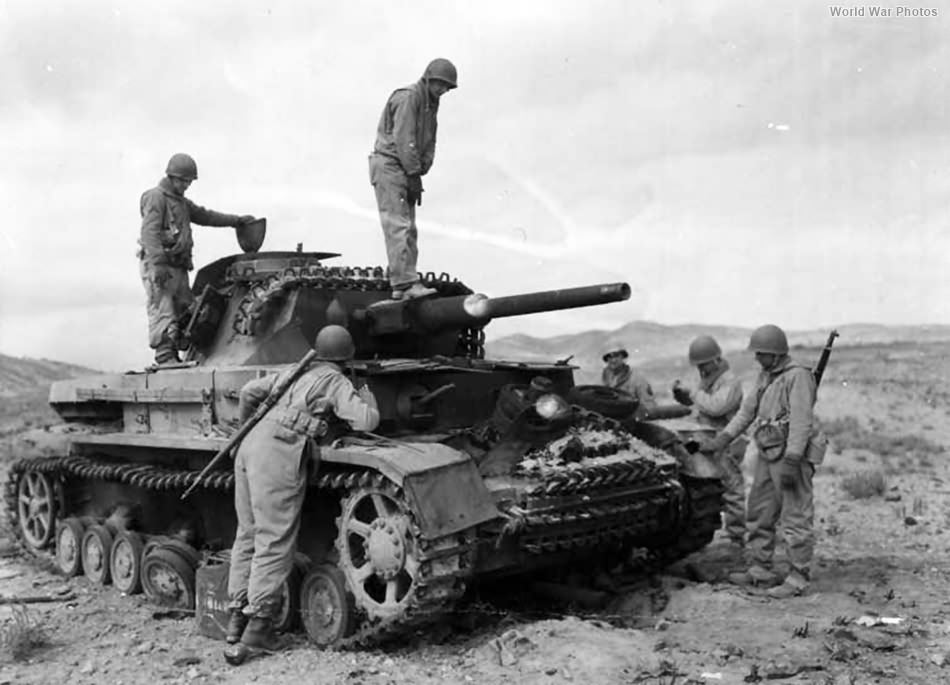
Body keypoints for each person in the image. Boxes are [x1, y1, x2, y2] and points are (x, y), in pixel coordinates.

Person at [224, 325, 379, 661]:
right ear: (347, 356)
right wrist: (367, 398)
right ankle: (258, 629)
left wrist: (244, 429)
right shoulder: (336, 380)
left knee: (248, 534)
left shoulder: (294, 370)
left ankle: (236, 619)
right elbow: (365, 421)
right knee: (274, 539)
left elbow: (250, 390)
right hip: (279, 450)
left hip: (251, 444)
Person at [703, 325, 827, 598]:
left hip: (790, 455)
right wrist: (723, 439)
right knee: (759, 511)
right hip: (768, 451)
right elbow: (747, 412)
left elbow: (801, 422)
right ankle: (761, 570)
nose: (757, 358)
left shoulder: (798, 377)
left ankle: (797, 578)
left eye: (761, 354)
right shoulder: (765, 376)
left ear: (776, 354)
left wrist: (793, 460)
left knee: (795, 516)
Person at [139, 153, 256, 365]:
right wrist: (158, 265)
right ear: (171, 176)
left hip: (178, 266)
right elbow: (149, 233)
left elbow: (206, 216)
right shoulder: (156, 197)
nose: (186, 185)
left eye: (189, 181)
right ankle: (165, 356)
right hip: (161, 266)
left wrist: (236, 221)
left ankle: (175, 354)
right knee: (163, 309)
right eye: (183, 180)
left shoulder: (181, 202)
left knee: (186, 309)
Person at [369, 58, 457, 301]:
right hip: (390, 165)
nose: (442, 90)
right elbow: (404, 139)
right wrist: (413, 175)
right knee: (399, 226)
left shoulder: (430, 104)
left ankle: (404, 283)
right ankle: (405, 283)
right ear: (429, 78)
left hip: (405, 168)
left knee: (408, 227)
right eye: (439, 84)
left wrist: (419, 171)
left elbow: (429, 142)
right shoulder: (410, 97)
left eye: (446, 87)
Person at [672, 335, 747, 546]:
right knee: (713, 485)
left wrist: (693, 392)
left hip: (728, 439)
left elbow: (716, 407)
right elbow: (699, 405)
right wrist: (682, 395)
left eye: (704, 364)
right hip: (709, 439)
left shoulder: (730, 381)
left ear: (716, 359)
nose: (701, 368)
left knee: (732, 488)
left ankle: (736, 535)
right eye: (698, 365)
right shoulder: (708, 379)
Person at [601, 343, 658, 418]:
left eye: (616, 356)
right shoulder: (604, 380)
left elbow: (649, 407)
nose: (613, 360)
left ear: (623, 357)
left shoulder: (637, 380)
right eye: (610, 357)